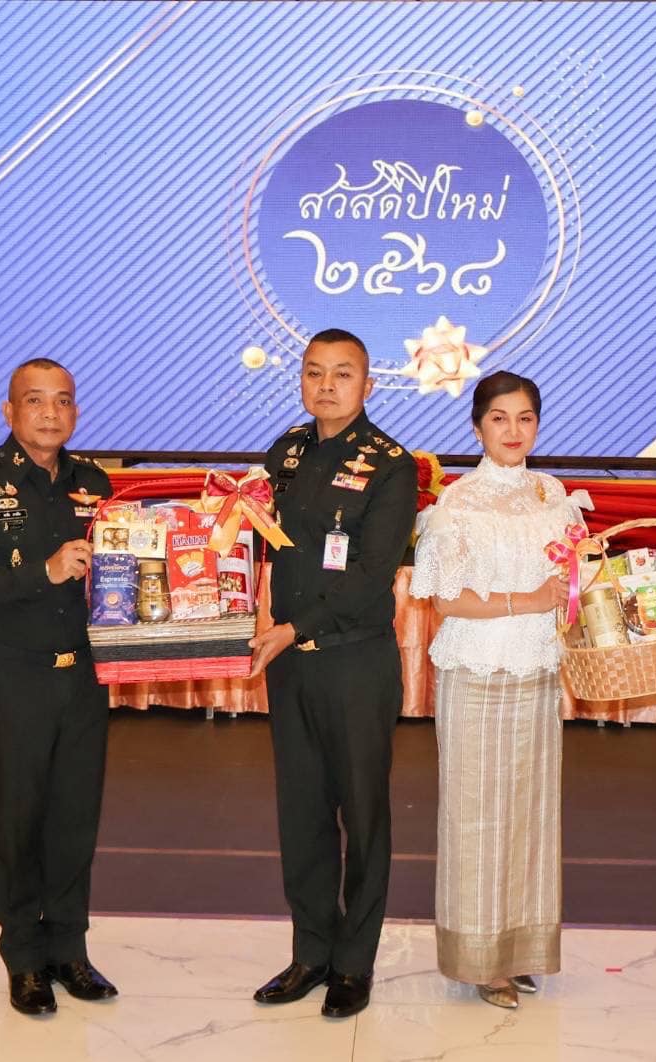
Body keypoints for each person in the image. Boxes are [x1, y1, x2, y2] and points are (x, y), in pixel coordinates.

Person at [0, 358, 117, 1017]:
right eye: (34, 400)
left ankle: (69, 950)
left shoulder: (94, 482)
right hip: (13, 676)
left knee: (74, 821)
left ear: (76, 412)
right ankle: (23, 958)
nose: (50, 413)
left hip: (85, 678)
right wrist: (43, 571)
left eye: (62, 401)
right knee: (17, 822)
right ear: (9, 412)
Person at [247, 328, 418, 1019]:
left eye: (342, 374)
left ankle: (354, 963)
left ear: (367, 386)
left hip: (354, 662)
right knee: (303, 815)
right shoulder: (285, 452)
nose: (326, 385)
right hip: (291, 668)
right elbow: (267, 543)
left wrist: (293, 629)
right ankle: (311, 952)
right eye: (314, 372)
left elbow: (372, 574)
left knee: (363, 816)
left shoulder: (393, 466)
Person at [408, 371, 584, 1009]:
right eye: (500, 418)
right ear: (478, 427)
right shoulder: (458, 504)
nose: (513, 431)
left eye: (525, 418)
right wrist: (528, 599)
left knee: (532, 815)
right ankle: (482, 962)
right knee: (476, 818)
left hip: (537, 673)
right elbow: (446, 601)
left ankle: (521, 950)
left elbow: (571, 584)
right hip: (477, 674)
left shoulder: (553, 495)